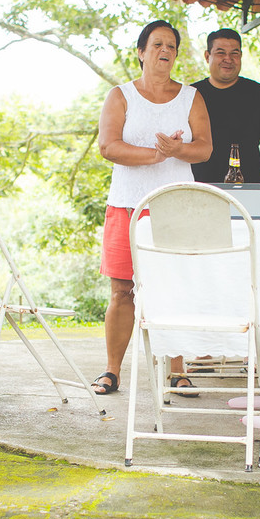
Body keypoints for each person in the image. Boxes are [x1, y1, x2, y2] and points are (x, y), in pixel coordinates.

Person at [92, 20, 212, 396]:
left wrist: (178, 151)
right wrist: (155, 154)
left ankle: (178, 370)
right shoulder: (120, 95)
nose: (165, 51)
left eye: (172, 46)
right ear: (141, 51)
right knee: (121, 290)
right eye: (157, 44)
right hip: (127, 203)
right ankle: (112, 371)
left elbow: (205, 147)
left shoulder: (191, 97)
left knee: (176, 289)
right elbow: (108, 146)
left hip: (175, 208)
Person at [189, 29, 260, 208]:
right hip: (200, 191)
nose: (228, 59)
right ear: (207, 56)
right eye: (220, 53)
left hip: (250, 192)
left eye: (235, 53)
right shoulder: (191, 95)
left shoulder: (259, 93)